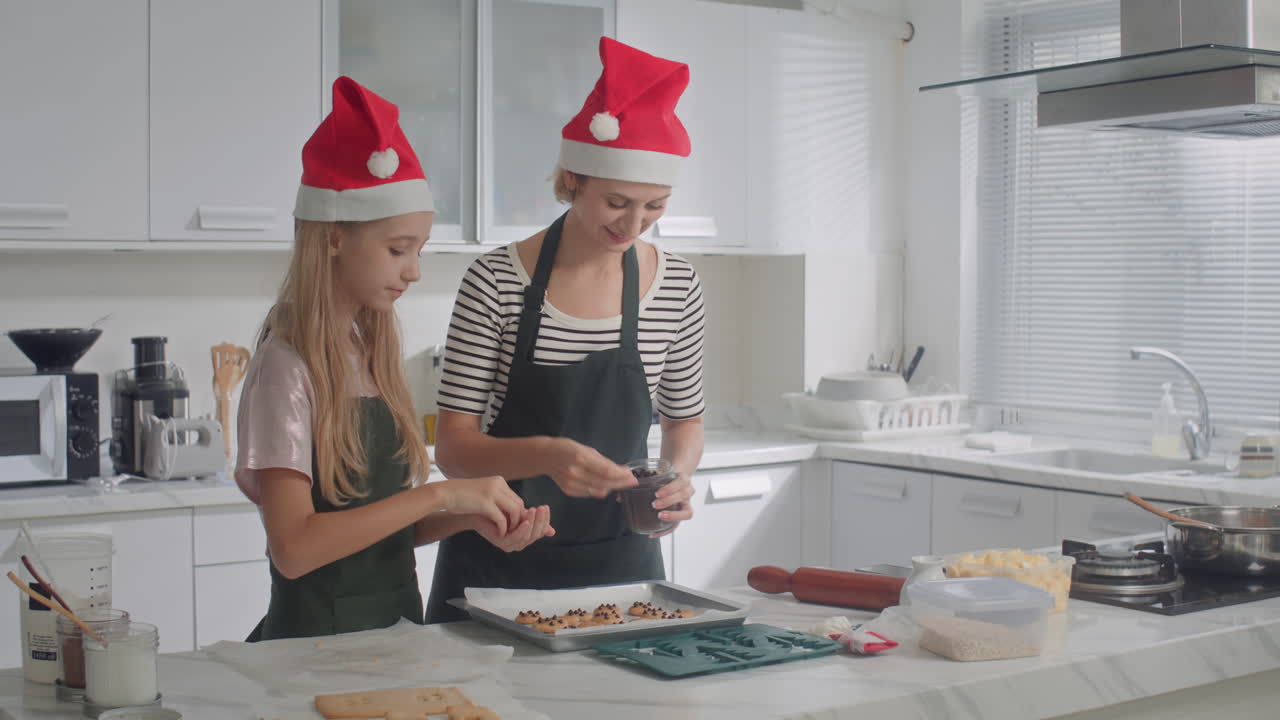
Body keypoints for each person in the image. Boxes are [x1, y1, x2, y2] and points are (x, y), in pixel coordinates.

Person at [235, 76, 552, 641]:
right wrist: (444, 491)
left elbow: (382, 529)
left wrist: (471, 519)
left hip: (395, 637)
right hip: (315, 648)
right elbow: (295, 548)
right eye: (397, 249)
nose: (413, 271)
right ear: (334, 239)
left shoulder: (368, 353)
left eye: (419, 251)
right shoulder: (284, 368)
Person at [425, 38, 706, 623]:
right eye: (617, 202)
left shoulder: (677, 286)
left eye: (655, 206)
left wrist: (677, 478)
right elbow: (454, 450)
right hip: (496, 564)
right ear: (573, 178)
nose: (633, 225)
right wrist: (550, 456)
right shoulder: (496, 280)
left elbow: (684, 422)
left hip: (623, 568)